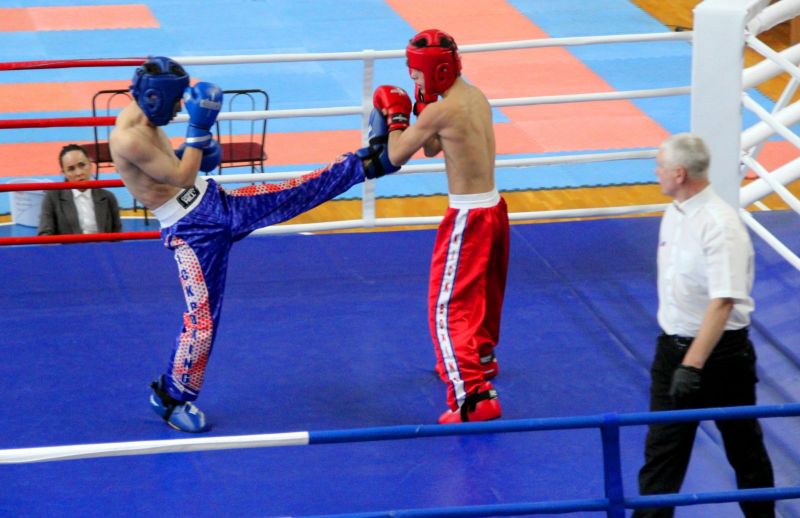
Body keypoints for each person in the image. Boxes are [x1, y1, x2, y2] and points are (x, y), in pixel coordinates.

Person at [109, 56, 398, 433]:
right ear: (154, 97)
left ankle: (369, 162)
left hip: (213, 202)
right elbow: (181, 177)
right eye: (176, 100)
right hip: (192, 232)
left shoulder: (148, 120)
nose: (180, 106)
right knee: (202, 321)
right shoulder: (128, 138)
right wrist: (198, 130)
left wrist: (196, 148)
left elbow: (174, 168)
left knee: (294, 192)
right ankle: (171, 398)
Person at [633, 133, 775, 518]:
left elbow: (723, 301)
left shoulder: (720, 225)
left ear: (679, 173)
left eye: (660, 166)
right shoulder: (674, 213)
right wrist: (678, 361)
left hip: (722, 357)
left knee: (744, 450)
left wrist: (692, 366)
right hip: (673, 350)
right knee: (662, 452)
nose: (656, 172)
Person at [373, 29, 509, 424]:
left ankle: (474, 397)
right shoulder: (473, 97)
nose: (414, 80)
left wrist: (397, 118)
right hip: (494, 209)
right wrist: (421, 105)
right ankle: (481, 356)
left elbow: (395, 155)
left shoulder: (440, 112)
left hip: (468, 217)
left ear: (436, 70)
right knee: (483, 293)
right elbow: (435, 145)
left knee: (447, 308)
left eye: (417, 74)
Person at [37, 144, 123, 235]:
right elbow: (45, 235)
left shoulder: (108, 198)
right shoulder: (52, 198)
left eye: (82, 165)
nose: (78, 173)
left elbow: (117, 236)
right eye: (71, 169)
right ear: (64, 173)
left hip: (102, 244)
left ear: (90, 165)